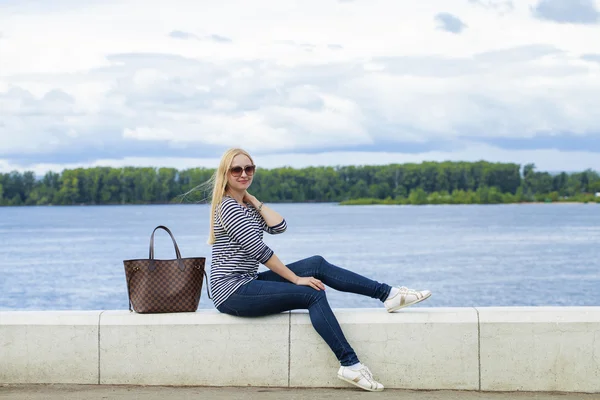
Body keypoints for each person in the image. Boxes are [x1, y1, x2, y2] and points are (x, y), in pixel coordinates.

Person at [205, 147, 431, 392]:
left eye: (249, 169)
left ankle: (389, 295)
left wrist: (251, 198)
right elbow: (260, 252)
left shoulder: (245, 206)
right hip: (232, 292)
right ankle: (350, 364)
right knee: (312, 292)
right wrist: (295, 279)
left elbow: (279, 226)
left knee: (316, 264)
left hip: (246, 281)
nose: (244, 174)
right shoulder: (228, 207)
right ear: (225, 173)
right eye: (236, 169)